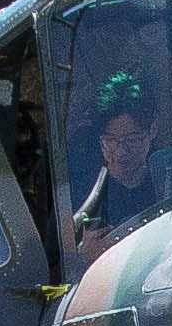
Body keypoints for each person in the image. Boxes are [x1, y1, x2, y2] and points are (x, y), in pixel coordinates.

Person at [71, 75, 166, 255]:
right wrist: (82, 256)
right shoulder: (78, 194)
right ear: (99, 138)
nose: (121, 151)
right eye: (111, 140)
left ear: (152, 130)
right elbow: (52, 267)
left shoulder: (168, 183)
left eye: (132, 139)